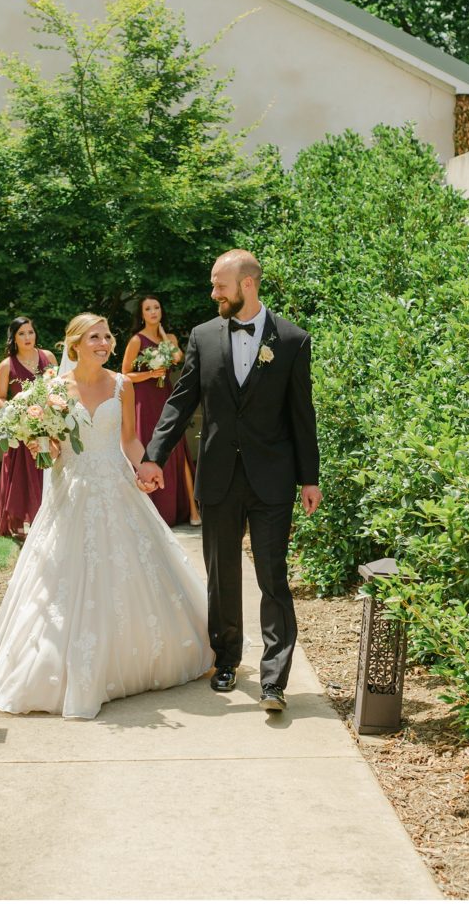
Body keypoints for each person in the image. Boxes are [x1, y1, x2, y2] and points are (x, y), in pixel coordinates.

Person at [0, 313, 214, 719]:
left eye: (108, 336)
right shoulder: (53, 389)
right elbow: (54, 450)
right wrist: (39, 441)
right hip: (72, 490)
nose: (104, 342)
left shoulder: (123, 385)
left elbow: (128, 438)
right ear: (74, 343)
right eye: (94, 336)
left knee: (133, 568)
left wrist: (146, 466)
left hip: (116, 484)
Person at [138, 249, 323, 713]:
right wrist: (154, 456)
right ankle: (226, 660)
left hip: (272, 480)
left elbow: (303, 416)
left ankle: (274, 679)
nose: (213, 293)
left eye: (220, 285)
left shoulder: (293, 340)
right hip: (218, 477)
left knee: (273, 577)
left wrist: (309, 478)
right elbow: (180, 402)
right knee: (221, 577)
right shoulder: (204, 336)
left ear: (247, 285)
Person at [122, 295, 201, 527]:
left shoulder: (171, 339)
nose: (153, 312)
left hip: (166, 397)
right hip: (145, 400)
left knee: (177, 450)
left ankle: (193, 511)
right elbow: (125, 374)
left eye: (156, 308)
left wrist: (164, 337)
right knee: (148, 449)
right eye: (148, 309)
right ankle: (150, 512)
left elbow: (178, 358)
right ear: (142, 314)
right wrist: (149, 374)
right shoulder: (137, 340)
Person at [0, 317, 58, 541]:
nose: (27, 337)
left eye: (30, 332)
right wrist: (17, 410)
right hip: (22, 429)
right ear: (14, 338)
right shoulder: (6, 365)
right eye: (22, 333)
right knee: (21, 476)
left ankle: (46, 520)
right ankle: (19, 527)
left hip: (45, 427)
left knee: (44, 473)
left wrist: (50, 411)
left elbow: (57, 388)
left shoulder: (48, 357)